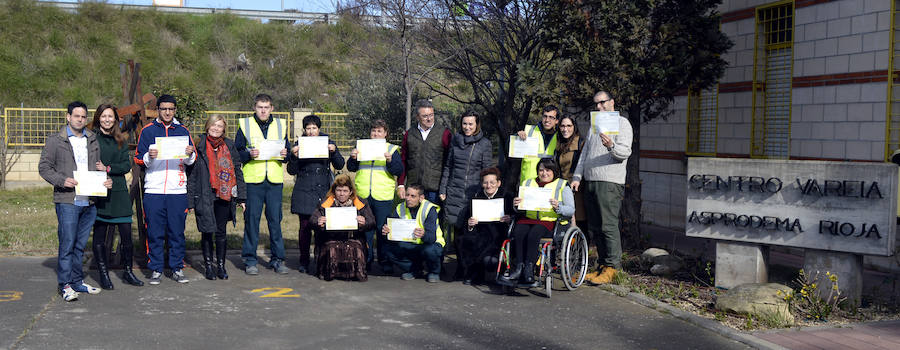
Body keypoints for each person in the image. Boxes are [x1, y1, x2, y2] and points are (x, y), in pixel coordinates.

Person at [39, 101, 112, 301]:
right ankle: (65, 285)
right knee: (67, 243)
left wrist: (104, 177)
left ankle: (77, 281)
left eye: (83, 116)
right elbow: (44, 168)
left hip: (89, 201)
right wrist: (62, 181)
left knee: (80, 245)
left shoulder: (92, 139)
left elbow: (97, 167)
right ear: (68, 117)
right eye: (76, 116)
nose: (80, 119)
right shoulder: (56, 140)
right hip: (67, 200)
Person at [571, 90, 633, 285]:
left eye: (602, 103)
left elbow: (625, 152)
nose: (599, 107)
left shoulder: (622, 123)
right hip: (590, 181)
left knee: (608, 225)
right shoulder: (594, 126)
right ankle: (602, 266)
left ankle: (613, 267)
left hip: (609, 182)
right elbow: (585, 154)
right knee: (596, 226)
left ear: (612, 102)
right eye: (596, 104)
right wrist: (577, 176)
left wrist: (611, 145)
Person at [135, 94, 196, 285]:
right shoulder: (148, 130)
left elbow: (191, 159)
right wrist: (149, 156)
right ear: (158, 110)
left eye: (171, 109)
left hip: (177, 190)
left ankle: (177, 268)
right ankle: (155, 269)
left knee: (177, 231)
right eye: (163, 109)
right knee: (154, 231)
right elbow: (138, 158)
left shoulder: (183, 130)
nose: (167, 112)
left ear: (175, 110)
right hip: (154, 189)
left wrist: (189, 154)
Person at [235, 93, 290, 275]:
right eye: (260, 107)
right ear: (254, 108)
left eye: (266, 107)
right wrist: (248, 155)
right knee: (252, 220)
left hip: (274, 180)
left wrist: (286, 154)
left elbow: (287, 151)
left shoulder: (281, 125)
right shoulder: (245, 125)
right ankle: (250, 260)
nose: (263, 110)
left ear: (272, 108)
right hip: (253, 181)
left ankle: (277, 259)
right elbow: (237, 152)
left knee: (275, 221)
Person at [498, 158, 574, 287]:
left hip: (548, 220)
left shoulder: (562, 185)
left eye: (548, 170)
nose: (544, 173)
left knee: (534, 234)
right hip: (528, 218)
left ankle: (529, 269)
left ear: (554, 171)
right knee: (518, 232)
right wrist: (516, 204)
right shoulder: (528, 183)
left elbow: (571, 210)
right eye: (541, 170)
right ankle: (518, 268)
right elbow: (519, 207)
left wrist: (558, 206)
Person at [187, 114, 247, 281]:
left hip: (224, 194)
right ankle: (208, 267)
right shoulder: (198, 144)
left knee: (221, 232)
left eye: (220, 126)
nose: (216, 129)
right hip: (204, 194)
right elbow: (191, 175)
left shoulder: (229, 145)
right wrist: (190, 200)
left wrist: (241, 197)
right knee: (207, 231)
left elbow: (237, 170)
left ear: (224, 129)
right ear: (208, 126)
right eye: (214, 125)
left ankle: (220, 266)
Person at [90, 104, 142, 289]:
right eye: (103, 116)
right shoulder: (92, 139)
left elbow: (125, 166)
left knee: (127, 237)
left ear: (116, 119)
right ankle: (103, 274)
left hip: (119, 192)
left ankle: (128, 272)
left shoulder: (120, 139)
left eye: (110, 116)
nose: (107, 119)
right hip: (99, 192)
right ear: (98, 118)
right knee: (100, 237)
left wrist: (108, 169)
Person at [287, 114, 345, 274]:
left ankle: (321, 259)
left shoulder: (328, 142)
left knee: (322, 226)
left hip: (323, 190)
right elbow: (291, 170)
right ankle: (304, 261)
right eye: (308, 128)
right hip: (304, 189)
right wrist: (293, 156)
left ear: (319, 129)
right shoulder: (299, 144)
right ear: (304, 130)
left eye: (314, 128)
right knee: (304, 227)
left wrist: (333, 152)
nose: (311, 131)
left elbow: (340, 164)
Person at [347, 119, 403, 274]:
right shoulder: (361, 147)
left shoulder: (391, 149)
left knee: (382, 229)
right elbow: (351, 168)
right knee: (365, 229)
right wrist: (352, 158)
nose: (376, 134)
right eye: (373, 131)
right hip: (363, 195)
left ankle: (385, 261)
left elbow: (398, 170)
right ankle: (366, 260)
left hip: (383, 195)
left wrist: (390, 161)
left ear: (385, 134)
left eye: (379, 131)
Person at [438, 110, 493, 269]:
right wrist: (443, 188)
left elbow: (486, 171)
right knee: (458, 236)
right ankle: (461, 268)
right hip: (454, 192)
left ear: (477, 125)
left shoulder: (485, 144)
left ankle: (473, 270)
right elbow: (448, 166)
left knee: (472, 235)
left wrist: (484, 193)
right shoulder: (456, 141)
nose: (467, 127)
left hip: (473, 194)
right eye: (464, 123)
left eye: (470, 124)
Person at [309, 174, 375, 281]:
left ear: (351, 192)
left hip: (353, 237)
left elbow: (372, 222)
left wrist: (364, 222)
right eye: (339, 190)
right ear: (334, 191)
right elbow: (312, 219)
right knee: (331, 248)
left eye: (345, 191)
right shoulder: (326, 202)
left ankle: (356, 272)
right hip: (330, 238)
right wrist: (318, 222)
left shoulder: (360, 202)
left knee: (356, 248)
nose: (341, 194)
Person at [459, 167, 513, 285]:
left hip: (500, 233)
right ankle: (474, 273)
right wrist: (470, 224)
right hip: (480, 233)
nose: (489, 186)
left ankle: (501, 271)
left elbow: (515, 217)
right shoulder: (476, 197)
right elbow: (467, 221)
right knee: (466, 240)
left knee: (491, 258)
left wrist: (509, 219)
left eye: (492, 182)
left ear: (498, 183)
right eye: (485, 182)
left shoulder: (507, 197)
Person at [382, 184, 444, 283]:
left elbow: (431, 238)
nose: (408, 199)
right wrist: (387, 232)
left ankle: (434, 272)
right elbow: (392, 234)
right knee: (388, 250)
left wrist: (423, 234)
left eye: (413, 196)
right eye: (407, 195)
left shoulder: (430, 209)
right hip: (411, 244)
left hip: (430, 243)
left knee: (431, 250)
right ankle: (415, 270)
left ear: (421, 198)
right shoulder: (400, 208)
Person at [398, 99, 451, 203]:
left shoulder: (445, 134)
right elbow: (403, 161)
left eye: (431, 115)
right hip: (414, 189)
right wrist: (400, 184)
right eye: (425, 116)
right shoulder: (409, 134)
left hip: (435, 190)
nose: (429, 119)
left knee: (433, 219)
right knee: (413, 219)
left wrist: (445, 187)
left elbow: (449, 163)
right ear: (417, 117)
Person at [555, 114, 588, 230]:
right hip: (562, 187)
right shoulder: (557, 143)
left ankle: (582, 246)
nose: (565, 129)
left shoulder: (581, 143)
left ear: (574, 127)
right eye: (562, 126)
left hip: (577, 188)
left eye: (569, 126)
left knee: (579, 220)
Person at [516, 105, 560, 185]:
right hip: (528, 181)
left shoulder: (559, 136)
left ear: (556, 120)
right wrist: (517, 137)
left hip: (549, 182)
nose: (547, 120)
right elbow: (511, 150)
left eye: (551, 117)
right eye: (545, 116)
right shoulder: (528, 131)